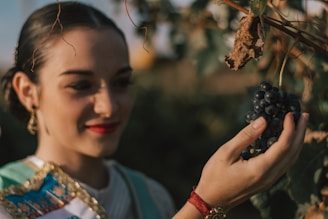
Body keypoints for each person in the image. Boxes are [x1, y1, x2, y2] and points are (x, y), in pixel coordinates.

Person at [0, 1, 308, 219]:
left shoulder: (149, 194)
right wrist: (205, 205)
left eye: (121, 82)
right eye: (80, 85)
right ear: (27, 92)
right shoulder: (7, 198)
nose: (109, 107)